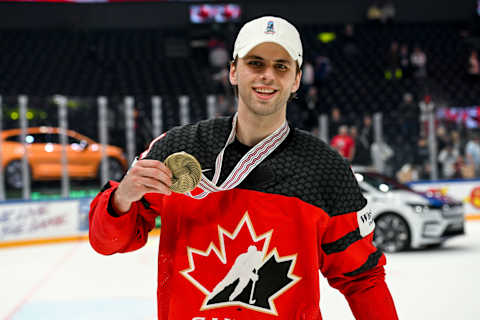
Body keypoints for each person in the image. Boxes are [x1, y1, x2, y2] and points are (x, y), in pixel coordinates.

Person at [89, 16, 398, 320]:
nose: (268, 75)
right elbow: (106, 242)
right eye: (255, 63)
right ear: (234, 71)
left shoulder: (324, 168)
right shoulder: (180, 148)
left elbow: (363, 279)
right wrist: (121, 199)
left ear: (296, 80)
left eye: (281, 66)